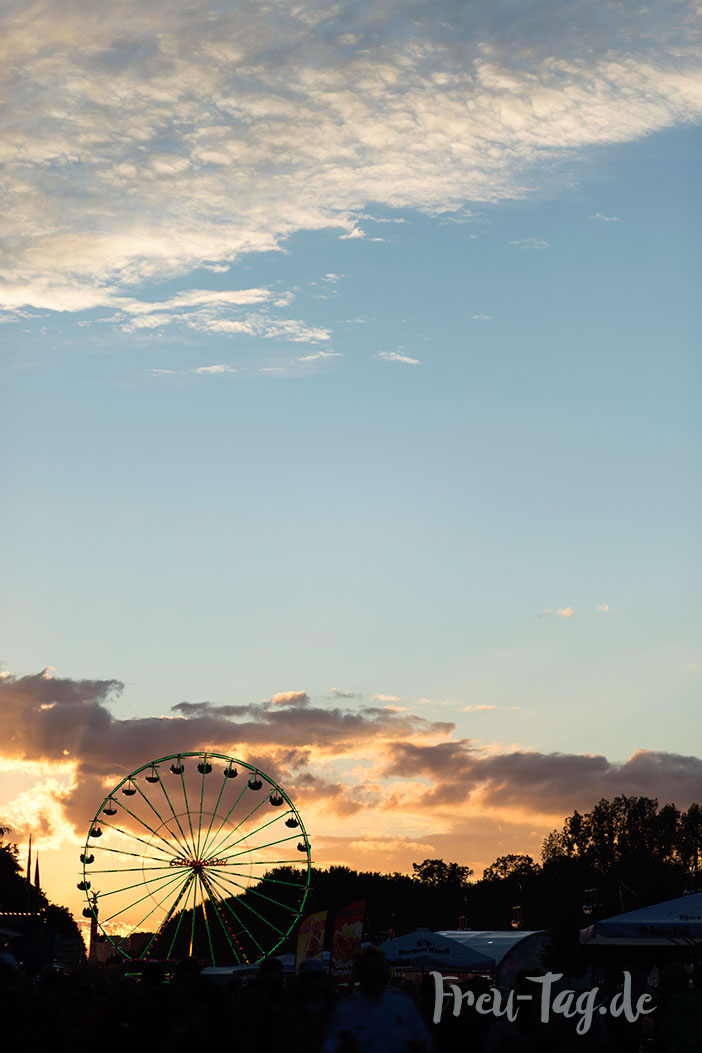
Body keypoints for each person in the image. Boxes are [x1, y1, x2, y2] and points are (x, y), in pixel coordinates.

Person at [322, 945, 431, 1053]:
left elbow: (422, 1042)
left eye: (378, 971)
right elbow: (331, 1046)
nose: (374, 976)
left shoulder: (403, 1005)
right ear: (358, 974)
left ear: (385, 973)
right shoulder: (345, 1011)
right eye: (368, 972)